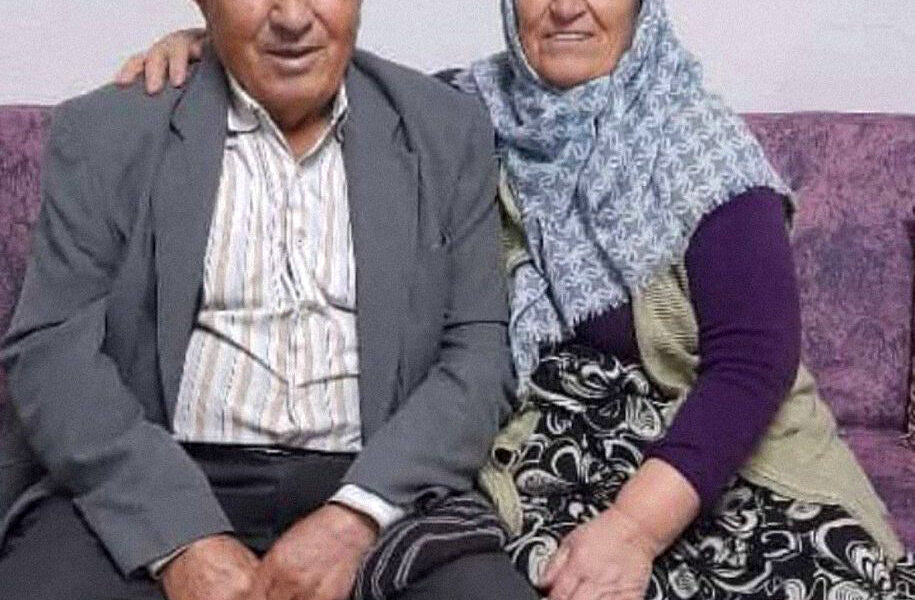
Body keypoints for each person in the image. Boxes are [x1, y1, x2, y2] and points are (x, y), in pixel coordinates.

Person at [118, 1, 915, 600]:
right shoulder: (466, 112)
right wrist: (218, 48)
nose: (565, 8)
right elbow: (324, 71)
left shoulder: (700, 146)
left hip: (701, 467)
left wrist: (631, 531)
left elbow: (751, 365)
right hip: (531, 469)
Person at [0, 1, 540, 599]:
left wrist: (356, 517)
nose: (291, 17)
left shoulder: (445, 128)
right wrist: (181, 538)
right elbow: (51, 353)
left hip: (381, 486)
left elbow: (477, 357)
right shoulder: (109, 129)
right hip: (154, 476)